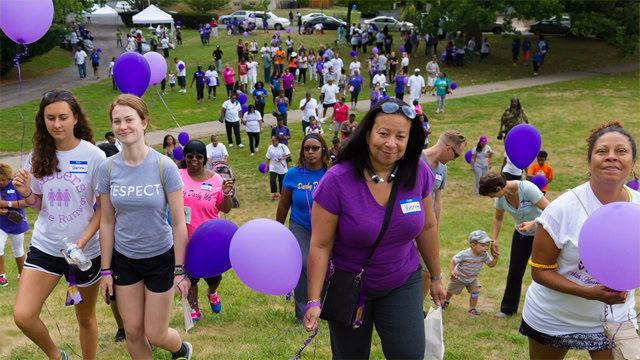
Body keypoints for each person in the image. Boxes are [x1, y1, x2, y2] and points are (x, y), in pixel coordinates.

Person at [303, 98, 446, 358]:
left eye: (400, 136)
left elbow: (427, 227)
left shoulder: (418, 172)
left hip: (401, 281)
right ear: (368, 134)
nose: (392, 143)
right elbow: (321, 244)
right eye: (384, 133)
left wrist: (435, 277)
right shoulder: (337, 180)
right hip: (351, 286)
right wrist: (313, 299)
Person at [521, 122, 639, 359]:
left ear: (633, 163)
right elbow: (540, 271)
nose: (611, 157)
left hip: (615, 317)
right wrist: (589, 293)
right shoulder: (561, 209)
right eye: (602, 151)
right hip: (555, 317)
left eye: (621, 151)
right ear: (590, 161)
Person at [12, 89, 105, 359]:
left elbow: (104, 208)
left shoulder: (93, 156)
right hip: (46, 245)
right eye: (50, 118)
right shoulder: (38, 155)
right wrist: (28, 192)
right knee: (23, 315)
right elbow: (40, 204)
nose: (57, 124)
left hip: (84, 252)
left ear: (76, 117)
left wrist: (84, 240)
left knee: (85, 318)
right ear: (43, 120)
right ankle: (57, 356)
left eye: (63, 117)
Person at [97, 94, 192, 359]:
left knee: (156, 334)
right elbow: (106, 221)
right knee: (133, 331)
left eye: (129, 119)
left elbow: (178, 223)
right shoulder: (107, 168)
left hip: (160, 257)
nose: (122, 126)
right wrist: (106, 270)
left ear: (144, 122)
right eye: (117, 121)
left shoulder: (164, 167)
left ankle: (181, 349)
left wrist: (180, 270)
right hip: (125, 259)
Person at [478, 172, 549, 318]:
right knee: (514, 273)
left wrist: (533, 222)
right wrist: (494, 239)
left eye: (491, 194)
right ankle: (507, 309)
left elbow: (551, 210)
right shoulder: (501, 198)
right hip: (522, 235)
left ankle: (545, 312)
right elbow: (498, 218)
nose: (491, 198)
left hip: (542, 234)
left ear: (499, 187)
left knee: (543, 273)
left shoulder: (527, 188)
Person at [276, 133, 329, 321]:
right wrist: (278, 229)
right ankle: (302, 312)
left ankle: (323, 307)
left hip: (327, 229)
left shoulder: (331, 173)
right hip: (300, 226)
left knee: (328, 266)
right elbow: (283, 204)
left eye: (315, 148)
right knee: (304, 262)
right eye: (307, 148)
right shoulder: (293, 174)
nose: (311, 152)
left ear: (323, 150)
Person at [180, 140, 233, 322]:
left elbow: (225, 209)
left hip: (209, 239)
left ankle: (212, 292)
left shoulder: (216, 179)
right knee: (191, 277)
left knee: (214, 277)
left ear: (204, 159)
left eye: (199, 157)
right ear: (185, 157)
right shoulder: (177, 176)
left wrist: (226, 193)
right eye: (190, 156)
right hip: (185, 238)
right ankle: (194, 308)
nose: (194, 160)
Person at [419, 130, 466, 298]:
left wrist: (435, 227)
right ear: (447, 149)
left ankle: (418, 307)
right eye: (456, 155)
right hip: (408, 224)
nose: (455, 160)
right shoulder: (416, 159)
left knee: (426, 271)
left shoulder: (442, 169)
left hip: (427, 228)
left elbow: (437, 199)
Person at [442, 230, 498, 315]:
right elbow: (453, 260)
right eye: (483, 245)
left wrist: (495, 258)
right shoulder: (464, 254)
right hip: (459, 277)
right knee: (450, 291)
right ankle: (445, 301)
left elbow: (491, 265)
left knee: (475, 292)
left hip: (473, 278)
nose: (486, 248)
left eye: (487, 245)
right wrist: (452, 271)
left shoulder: (484, 255)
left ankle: (472, 308)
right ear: (473, 245)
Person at [0, 162, 28, 287]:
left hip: (17, 223)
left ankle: (22, 275)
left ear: (8, 177)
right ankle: (2, 276)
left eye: (3, 180)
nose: (1, 182)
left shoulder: (16, 185)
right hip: (1, 224)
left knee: (18, 250)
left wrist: (7, 204)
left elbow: (26, 202)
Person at [265, 136, 290, 201]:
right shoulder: (270, 147)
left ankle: (282, 194)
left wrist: (282, 158)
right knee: (272, 180)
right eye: (272, 140)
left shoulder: (283, 146)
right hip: (273, 167)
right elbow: (268, 158)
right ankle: (275, 194)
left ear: (277, 140)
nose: (272, 141)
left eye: (274, 140)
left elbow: (289, 155)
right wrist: (266, 166)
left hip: (282, 167)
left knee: (281, 181)